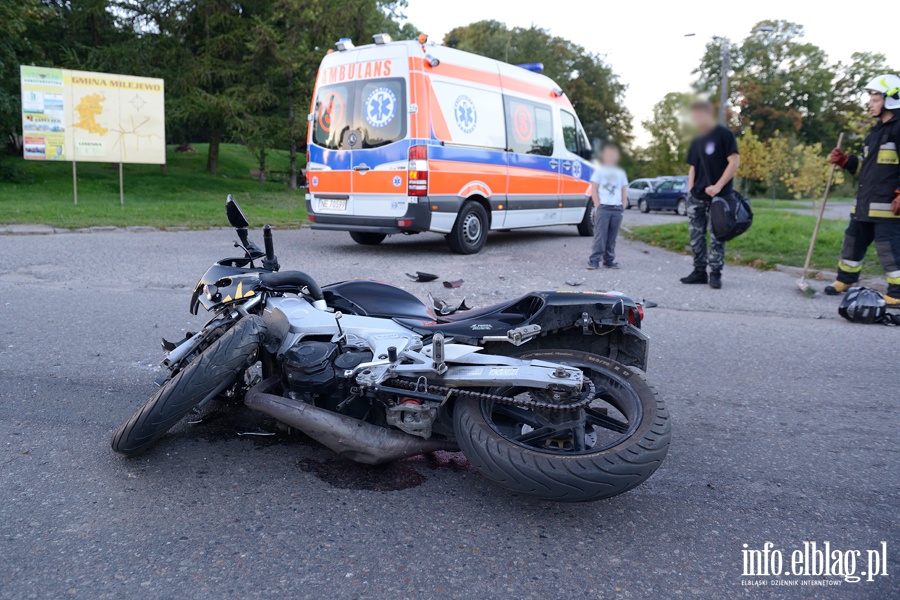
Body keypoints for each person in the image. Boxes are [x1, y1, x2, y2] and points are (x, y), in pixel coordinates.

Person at [825, 74, 900, 305]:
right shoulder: (875, 132)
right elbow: (867, 169)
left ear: (892, 99)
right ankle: (845, 279)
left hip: (888, 207)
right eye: (870, 98)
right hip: (865, 204)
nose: (870, 103)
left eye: (875, 98)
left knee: (889, 249)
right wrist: (846, 161)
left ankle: (897, 293)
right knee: (852, 240)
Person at [680, 100, 740, 289]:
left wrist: (718, 186)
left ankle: (715, 274)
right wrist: (690, 190)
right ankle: (699, 272)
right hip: (696, 196)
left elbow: (734, 161)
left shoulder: (725, 135)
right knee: (696, 236)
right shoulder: (696, 140)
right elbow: (692, 167)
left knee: (717, 237)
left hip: (719, 197)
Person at [587, 144, 628, 270]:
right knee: (600, 235)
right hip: (604, 207)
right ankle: (594, 259)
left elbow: (623, 189)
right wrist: (598, 205)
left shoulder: (620, 173)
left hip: (617, 208)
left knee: (612, 235)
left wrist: (623, 204)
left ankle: (609, 259)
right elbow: (594, 190)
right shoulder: (599, 172)